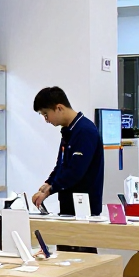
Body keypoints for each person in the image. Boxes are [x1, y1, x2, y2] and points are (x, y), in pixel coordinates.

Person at [31, 86, 104, 216]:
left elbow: (75, 171)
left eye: (46, 114)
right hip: (69, 206)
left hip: (85, 209)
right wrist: (48, 183)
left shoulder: (84, 131)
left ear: (59, 108)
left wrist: (50, 189)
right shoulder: (69, 131)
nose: (46, 120)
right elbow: (62, 165)